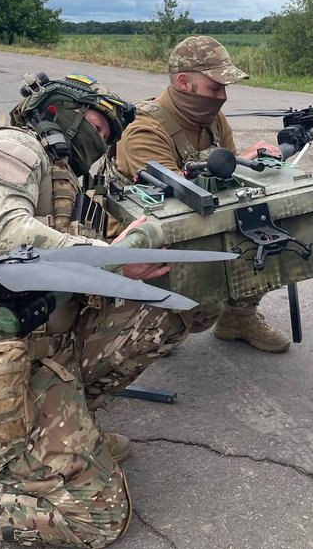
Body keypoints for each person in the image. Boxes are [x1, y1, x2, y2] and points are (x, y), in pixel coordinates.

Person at [0, 73, 190, 548]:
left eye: (109, 137)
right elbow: (6, 236)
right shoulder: (13, 147)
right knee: (97, 519)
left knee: (163, 311)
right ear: (56, 111)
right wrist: (114, 258)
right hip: (2, 361)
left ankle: (71, 428)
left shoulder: (64, 180)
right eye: (97, 126)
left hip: (47, 345)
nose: (100, 141)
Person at [113, 35, 291, 352]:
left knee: (269, 223)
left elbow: (233, 189)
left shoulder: (212, 119)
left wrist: (251, 166)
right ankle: (152, 322)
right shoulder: (144, 131)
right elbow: (173, 203)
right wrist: (242, 163)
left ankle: (239, 315)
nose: (222, 97)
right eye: (215, 87)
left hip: (201, 222)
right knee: (191, 309)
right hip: (155, 236)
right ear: (184, 82)